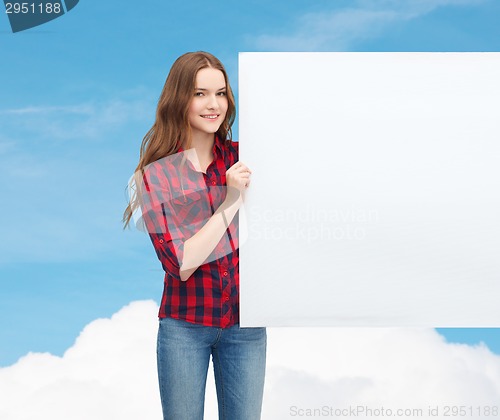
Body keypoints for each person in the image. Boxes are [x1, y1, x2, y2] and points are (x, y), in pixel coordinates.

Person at [123, 51, 266, 420]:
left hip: (245, 326)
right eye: (201, 94)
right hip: (184, 327)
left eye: (220, 93)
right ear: (179, 99)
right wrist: (232, 200)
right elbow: (181, 262)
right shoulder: (158, 176)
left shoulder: (244, 159)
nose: (213, 104)